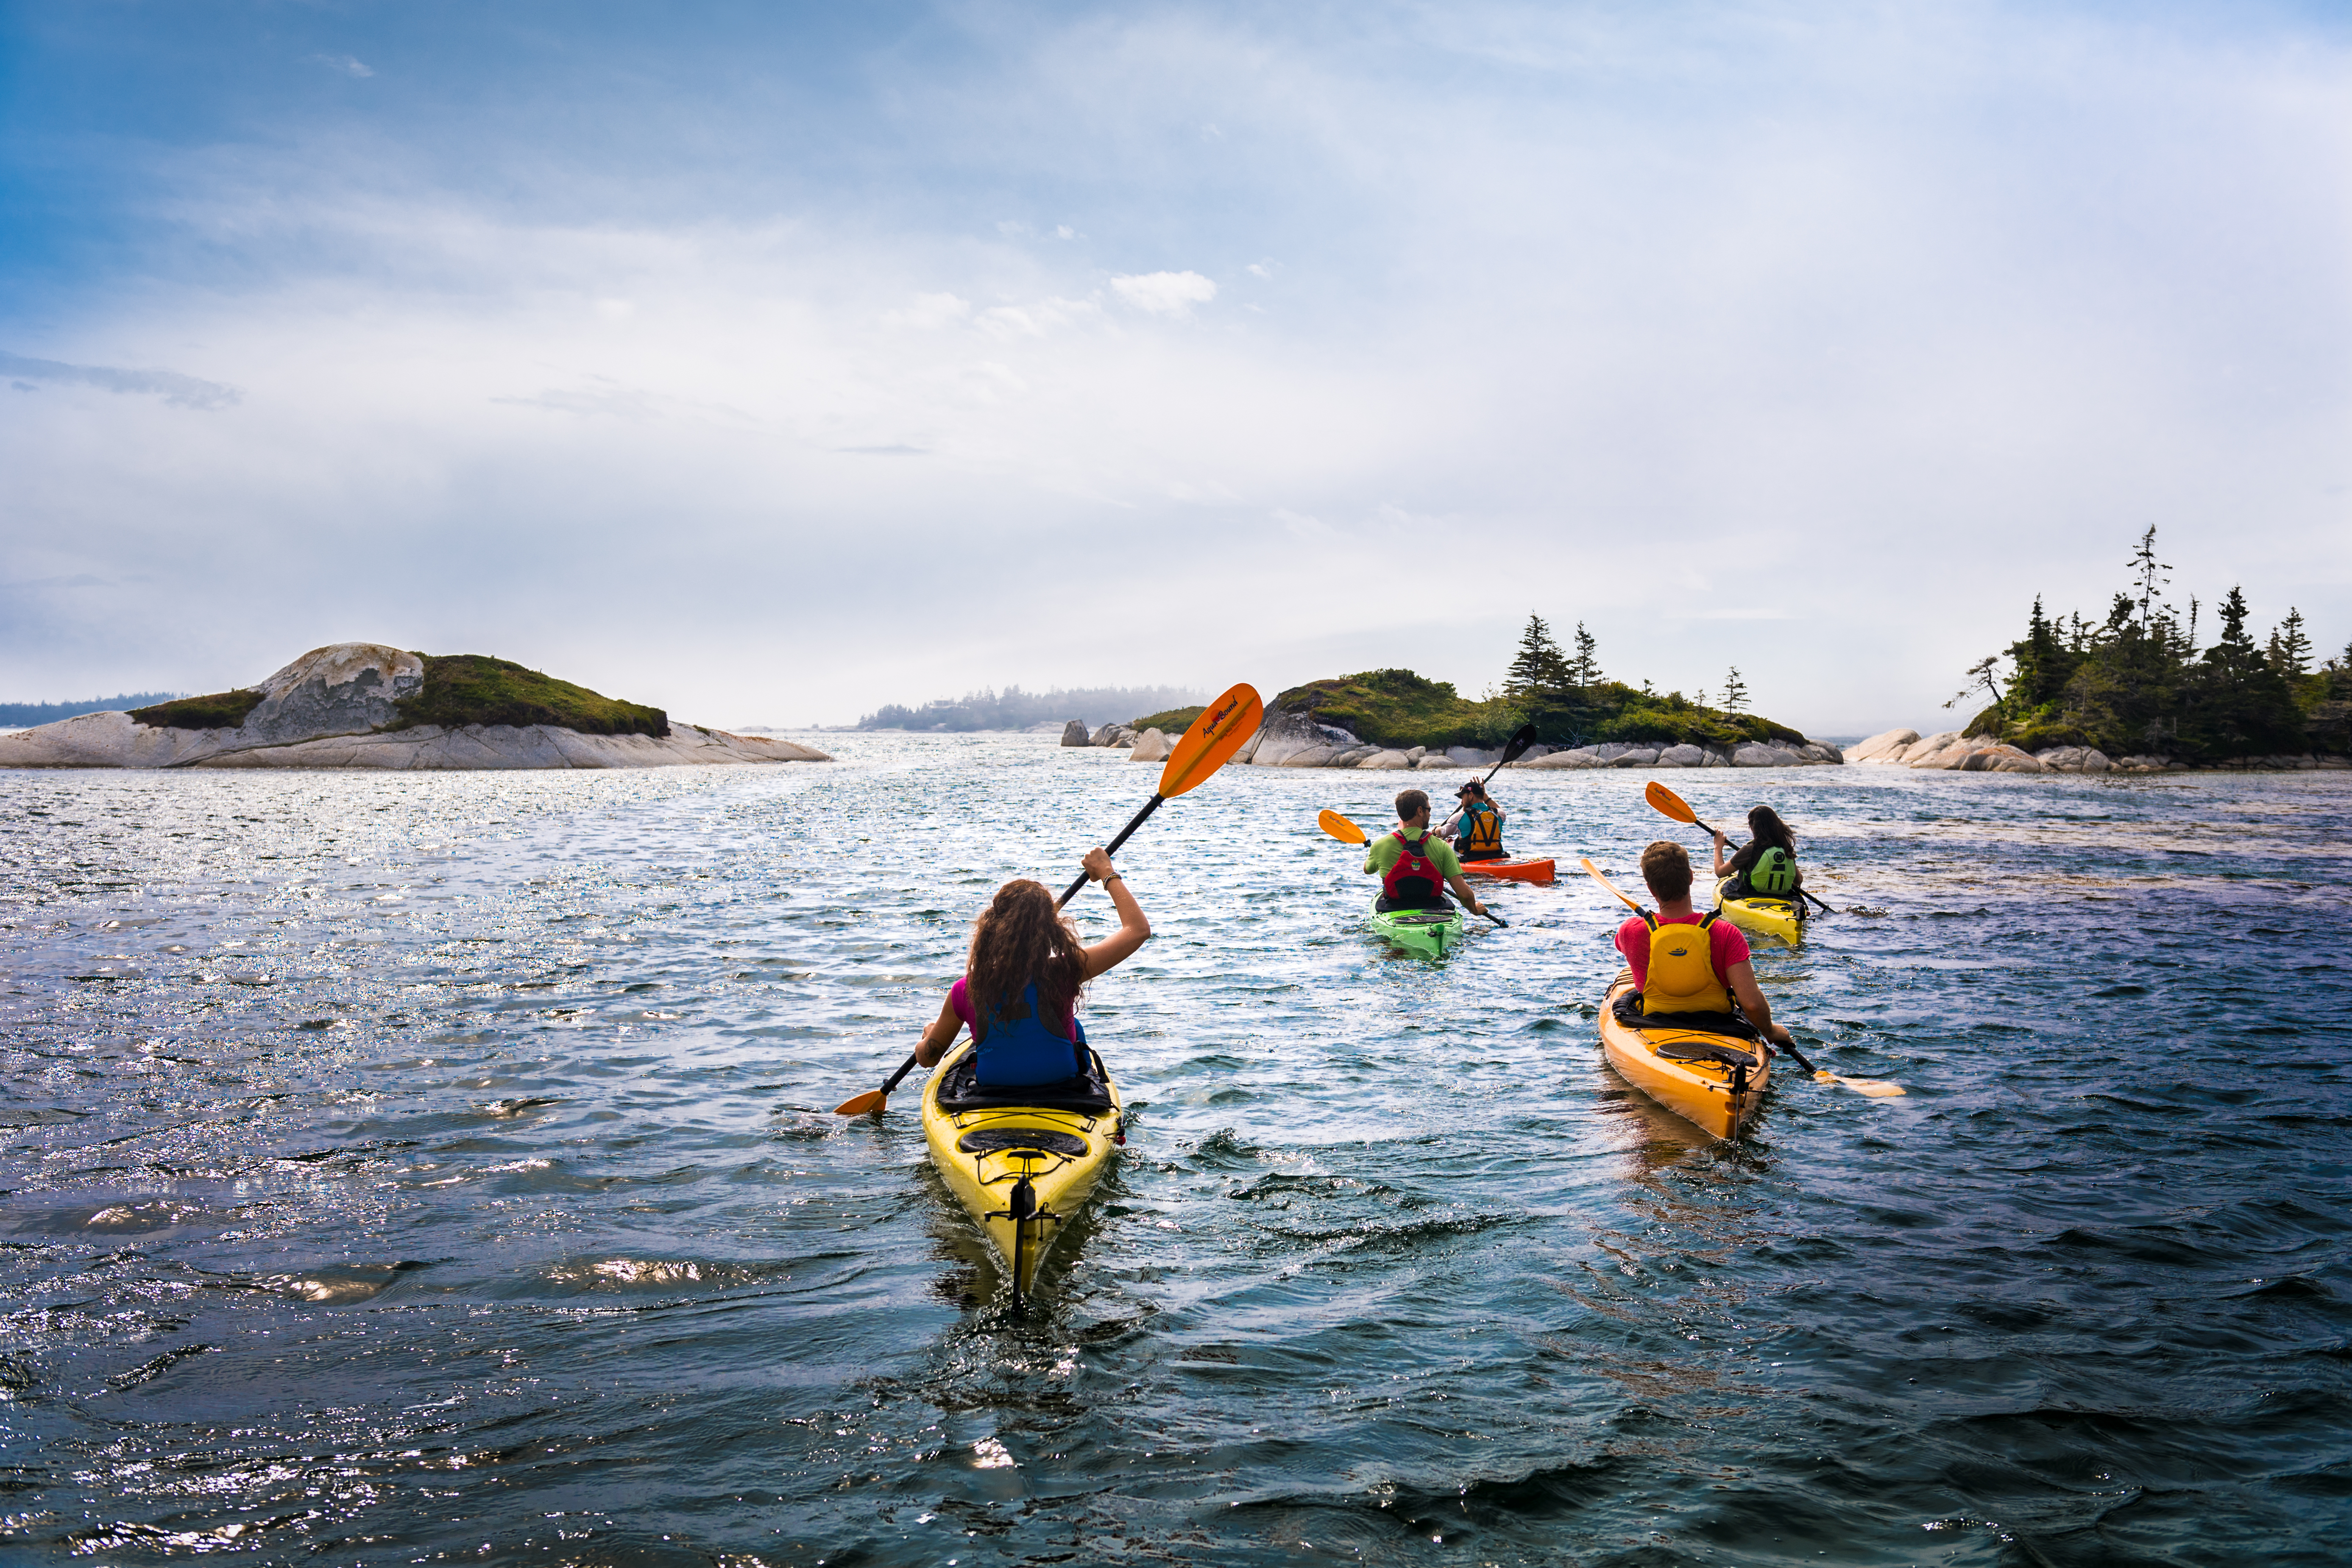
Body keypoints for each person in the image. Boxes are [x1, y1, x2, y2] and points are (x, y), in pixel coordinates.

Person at [912, 847, 1149, 1086]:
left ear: (992, 930)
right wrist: (1107, 873)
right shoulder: (1065, 972)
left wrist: (928, 1038)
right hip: (1060, 1085)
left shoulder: (966, 989)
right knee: (1075, 1026)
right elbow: (1138, 931)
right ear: (1051, 931)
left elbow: (928, 1059)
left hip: (994, 1091)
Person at [1614, 841, 1793, 1048]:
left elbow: (1621, 946)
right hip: (1719, 1025)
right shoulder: (1726, 933)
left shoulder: (1630, 931)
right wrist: (1770, 1031)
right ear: (1690, 877)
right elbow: (1751, 1004)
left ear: (1650, 888)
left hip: (1655, 1022)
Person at [1363, 789, 1492, 919]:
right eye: (1429, 810)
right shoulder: (1442, 847)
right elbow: (1464, 895)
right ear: (1420, 811)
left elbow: (1367, 870)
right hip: (1434, 909)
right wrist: (1474, 909)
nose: (1430, 815)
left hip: (1393, 909)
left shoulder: (1380, 845)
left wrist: (1375, 852)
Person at [1712, 806, 1803, 900]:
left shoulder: (1750, 850)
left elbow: (1720, 872)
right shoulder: (1785, 848)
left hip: (1752, 897)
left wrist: (1718, 847)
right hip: (1783, 899)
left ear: (1753, 827)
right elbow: (1799, 880)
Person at [1441, 779, 1508, 862]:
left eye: (1463, 797)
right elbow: (1499, 809)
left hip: (1471, 858)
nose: (1462, 802)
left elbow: (1444, 832)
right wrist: (1485, 796)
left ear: (1471, 795)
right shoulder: (1498, 814)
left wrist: (1436, 830)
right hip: (1496, 855)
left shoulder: (1459, 817)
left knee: (1449, 843)